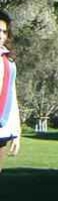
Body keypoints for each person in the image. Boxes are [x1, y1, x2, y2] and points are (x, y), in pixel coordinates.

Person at [0, 9, 21, 172]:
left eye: (3, 31)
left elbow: (12, 100)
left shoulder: (9, 64)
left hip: (2, 131)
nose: (0, 34)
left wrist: (16, 133)